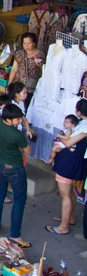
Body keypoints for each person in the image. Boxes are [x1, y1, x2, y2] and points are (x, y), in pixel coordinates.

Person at [0, 104, 32, 248]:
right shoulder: (16, 135)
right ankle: (15, 234)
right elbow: (28, 150)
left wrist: (23, 123)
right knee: (20, 199)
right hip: (14, 167)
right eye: (17, 119)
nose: (20, 121)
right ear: (9, 119)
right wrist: (27, 130)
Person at [46, 100, 87, 235]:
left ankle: (63, 227)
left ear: (79, 112)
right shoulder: (81, 123)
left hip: (69, 165)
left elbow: (69, 142)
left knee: (65, 195)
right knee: (70, 192)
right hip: (70, 162)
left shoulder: (84, 127)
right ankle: (69, 218)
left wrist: (59, 136)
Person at [8, 32, 45, 108]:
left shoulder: (40, 55)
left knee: (27, 107)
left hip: (30, 88)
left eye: (29, 43)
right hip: (17, 86)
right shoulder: (19, 53)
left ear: (34, 43)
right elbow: (14, 69)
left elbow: (43, 70)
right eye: (24, 43)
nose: (26, 46)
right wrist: (9, 84)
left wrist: (38, 64)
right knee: (15, 106)